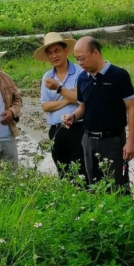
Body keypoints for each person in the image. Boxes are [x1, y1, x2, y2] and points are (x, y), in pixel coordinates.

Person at [62, 37, 134, 193]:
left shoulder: (119, 75)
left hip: (113, 141)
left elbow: (131, 108)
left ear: (95, 53)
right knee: (95, 185)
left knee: (119, 187)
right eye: (77, 59)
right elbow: (83, 107)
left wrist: (130, 142)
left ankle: (122, 216)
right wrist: (73, 116)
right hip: (88, 140)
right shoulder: (82, 78)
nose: (80, 63)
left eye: (82, 58)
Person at [35, 32, 87, 181]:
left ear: (66, 51)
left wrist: (59, 89)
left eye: (57, 50)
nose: (54, 56)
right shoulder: (47, 77)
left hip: (79, 128)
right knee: (63, 173)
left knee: (82, 172)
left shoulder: (80, 72)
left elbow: (82, 99)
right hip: (56, 130)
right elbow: (45, 106)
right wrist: (68, 98)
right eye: (50, 53)